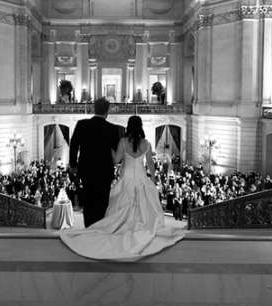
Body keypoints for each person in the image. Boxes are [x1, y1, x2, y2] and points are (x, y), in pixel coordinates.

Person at [60, 115, 185, 261]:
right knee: (144, 208)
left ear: (128, 126)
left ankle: (120, 227)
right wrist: (152, 180)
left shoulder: (123, 142)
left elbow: (116, 160)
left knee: (119, 206)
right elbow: (150, 164)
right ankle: (140, 228)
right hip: (141, 179)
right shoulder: (146, 143)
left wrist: (109, 148)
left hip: (126, 179)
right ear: (140, 127)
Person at [67, 97, 121, 228]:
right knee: (102, 202)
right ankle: (100, 230)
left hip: (86, 171)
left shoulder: (82, 124)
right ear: (107, 111)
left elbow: (73, 145)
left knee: (88, 202)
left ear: (94, 109)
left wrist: (73, 165)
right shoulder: (112, 129)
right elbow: (117, 151)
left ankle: (89, 229)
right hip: (104, 172)